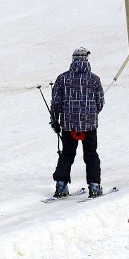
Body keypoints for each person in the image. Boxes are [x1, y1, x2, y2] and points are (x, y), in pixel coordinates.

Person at [50, 47, 104, 198]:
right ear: (86, 59)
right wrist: (91, 114)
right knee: (91, 154)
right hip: (89, 125)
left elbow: (56, 102)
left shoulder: (62, 79)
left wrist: (55, 119)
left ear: (73, 59)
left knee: (67, 154)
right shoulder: (94, 79)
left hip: (68, 125)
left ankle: (61, 185)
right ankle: (94, 185)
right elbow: (100, 102)